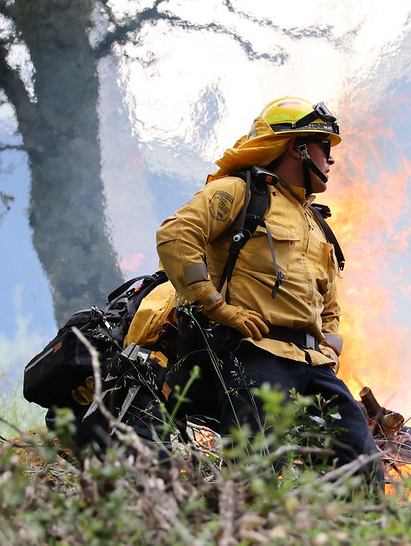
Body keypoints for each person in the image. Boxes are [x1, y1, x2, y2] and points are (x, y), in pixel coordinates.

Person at [156, 97, 383, 485]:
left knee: (361, 463)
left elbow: (327, 301)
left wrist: (329, 345)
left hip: (313, 365)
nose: (331, 159)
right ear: (296, 147)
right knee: (256, 478)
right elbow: (177, 235)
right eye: (323, 146)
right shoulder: (240, 192)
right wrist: (217, 307)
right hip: (256, 356)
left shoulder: (315, 221)